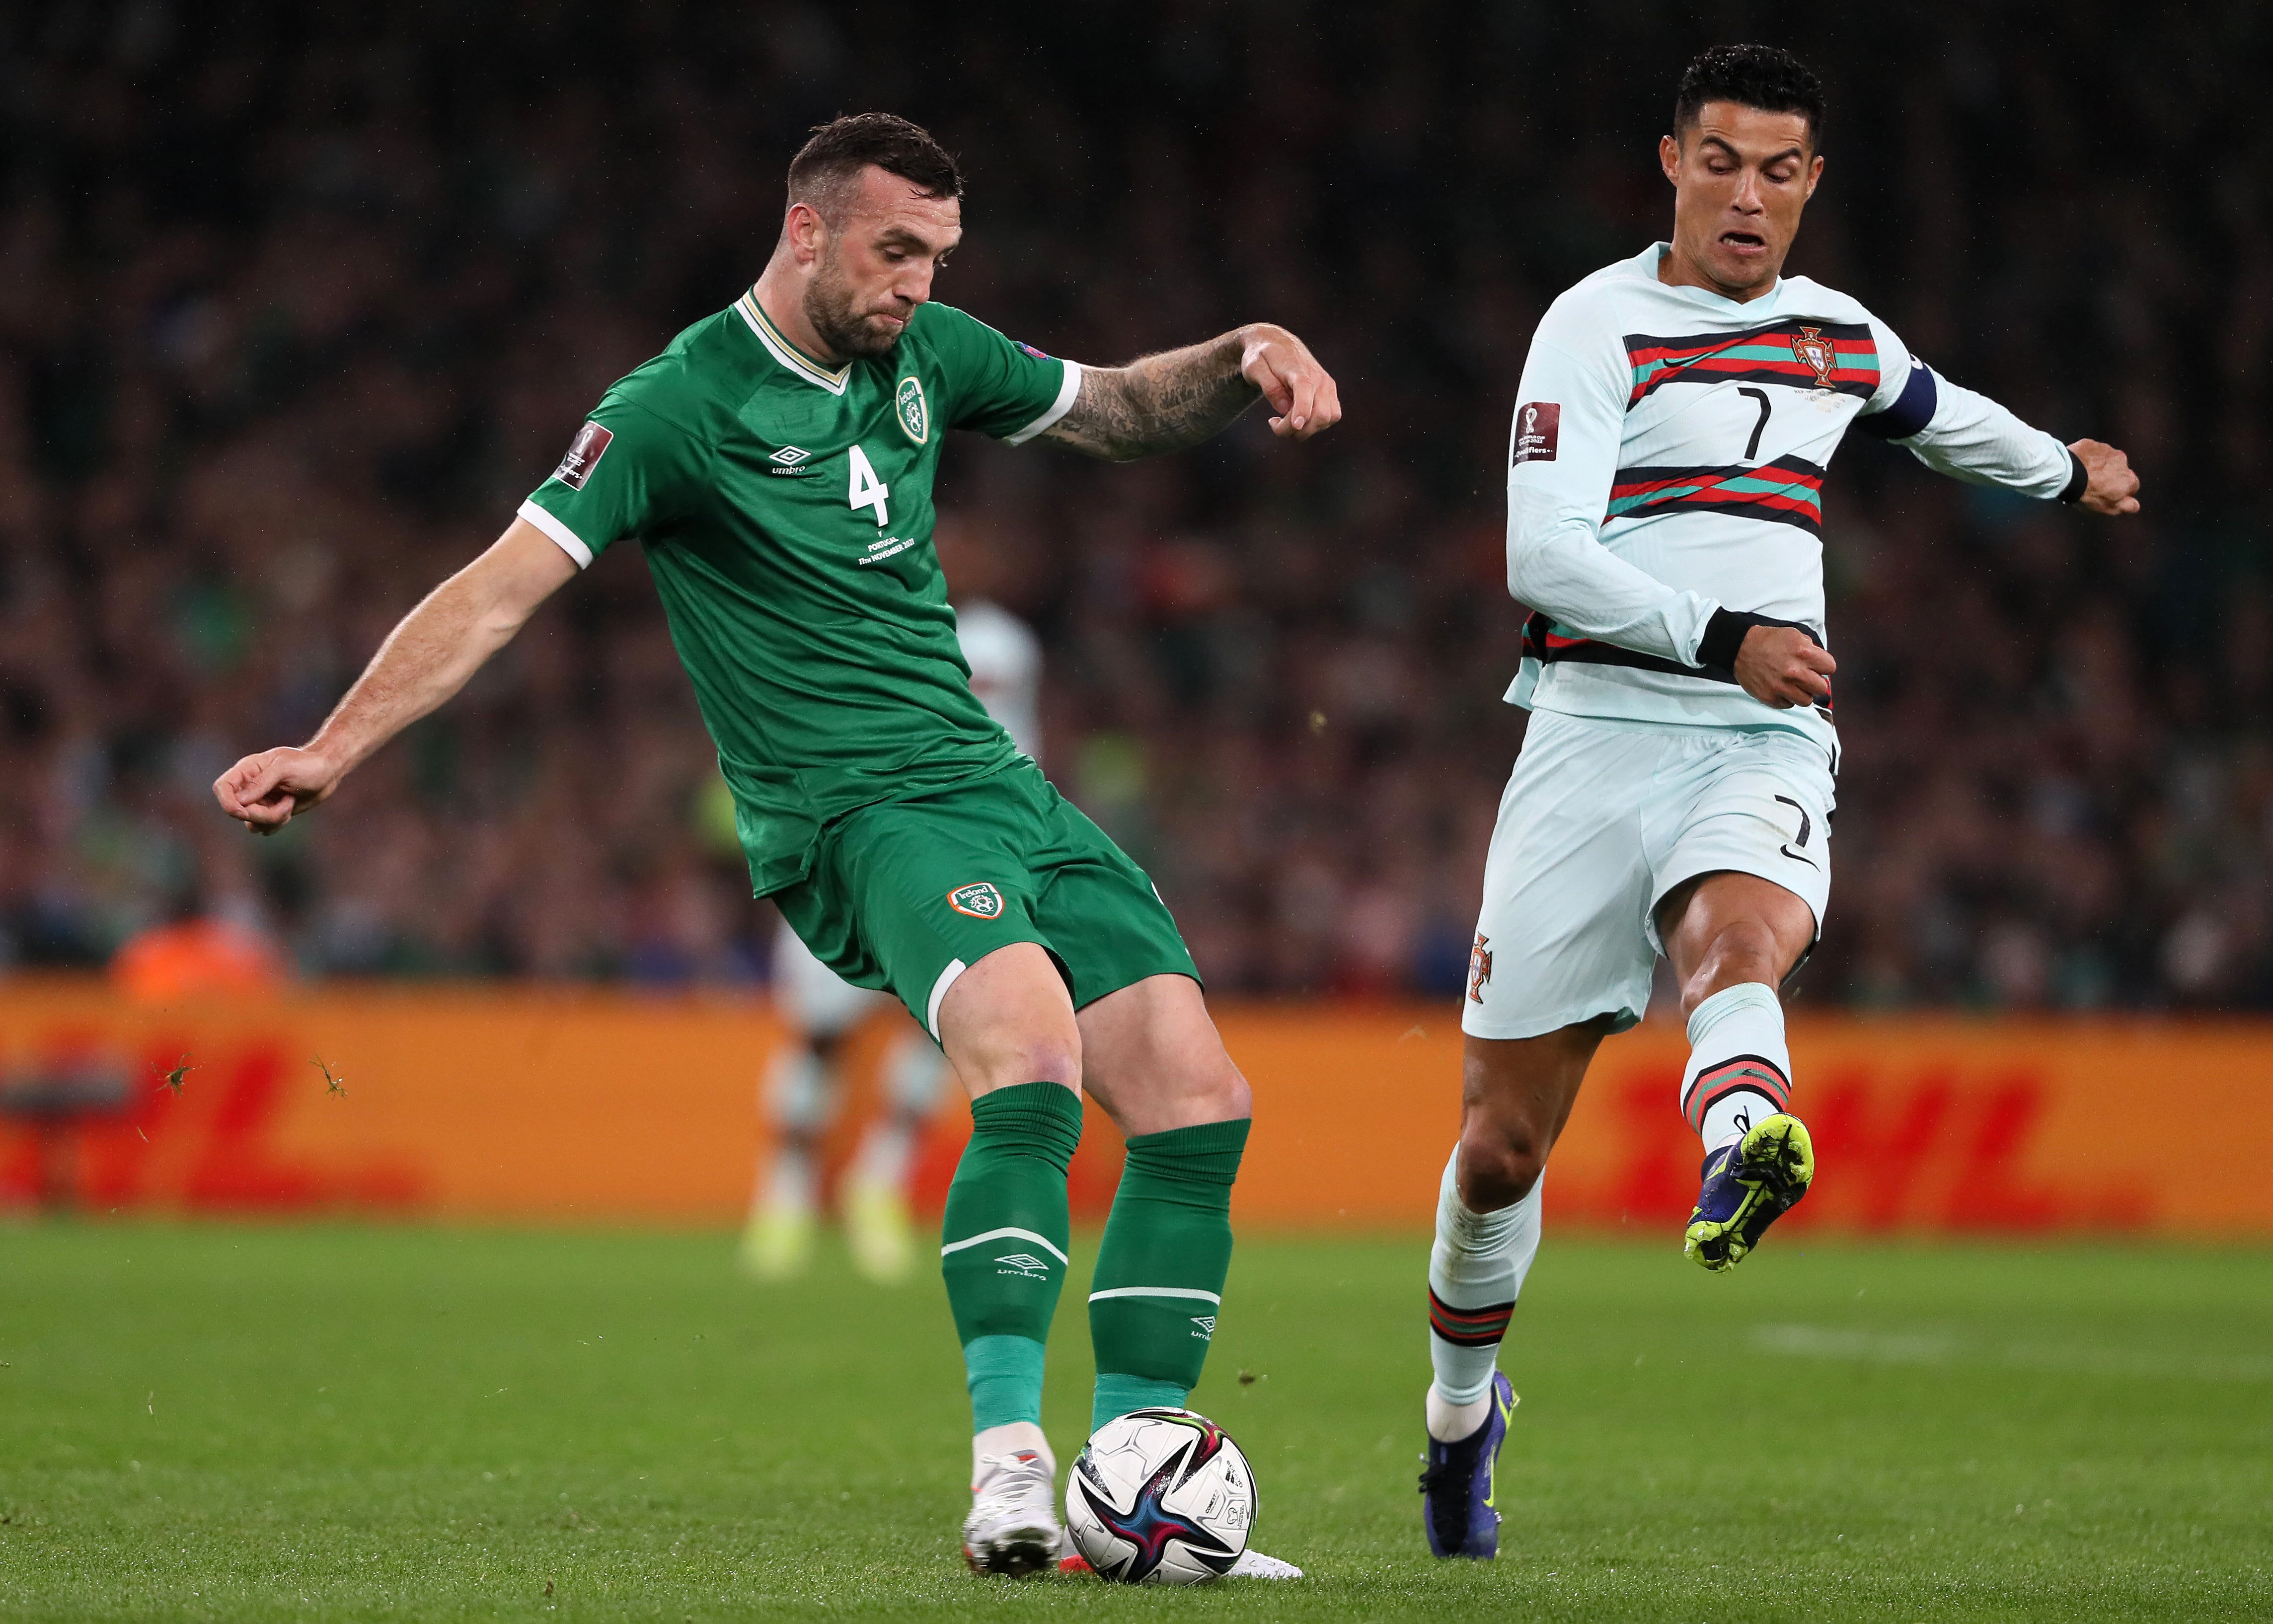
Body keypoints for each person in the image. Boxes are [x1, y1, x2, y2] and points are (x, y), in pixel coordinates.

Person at [211, 113, 1338, 1579]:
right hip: (856, 812)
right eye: (893, 251)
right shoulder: (680, 405)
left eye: (937, 256)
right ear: (805, 228)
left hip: (996, 785)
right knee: (1034, 1058)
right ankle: (1009, 1467)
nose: (918, 284)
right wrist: (333, 744)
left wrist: (1246, 346)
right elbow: (498, 588)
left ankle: (1137, 1488)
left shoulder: (926, 355)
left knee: (1198, 1100)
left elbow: (1119, 405)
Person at [1415, 45, 2140, 1560]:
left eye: (1780, 170)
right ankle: (1459, 1416)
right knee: (1498, 1149)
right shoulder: (1595, 324)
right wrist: (1722, 635)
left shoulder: (1835, 333)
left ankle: (1745, 1125)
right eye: (1723, 161)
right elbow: (1540, 559)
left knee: (1736, 941)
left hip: (1761, 737)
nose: (1749, 195)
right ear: (1670, 163)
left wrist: (2065, 473)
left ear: (1814, 185)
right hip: (1592, 732)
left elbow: (1944, 412)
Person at [742, 580, 1043, 1287]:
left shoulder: (1004, 642)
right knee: (822, 1033)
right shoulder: (851, 616)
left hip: (955, 859)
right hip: (852, 854)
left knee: (938, 1028)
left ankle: (878, 1184)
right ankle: (784, 1193)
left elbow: (1017, 751)